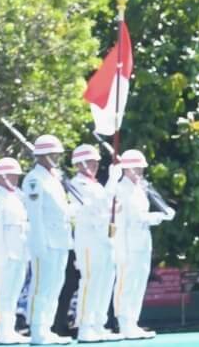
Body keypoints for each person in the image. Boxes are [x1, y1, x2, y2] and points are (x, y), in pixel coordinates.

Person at [111, 151, 170, 341]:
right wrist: (156, 217)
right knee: (126, 284)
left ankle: (133, 322)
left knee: (138, 284)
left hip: (143, 243)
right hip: (126, 244)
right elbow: (127, 220)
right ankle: (124, 323)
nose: (140, 171)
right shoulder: (120, 190)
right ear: (126, 169)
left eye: (141, 168)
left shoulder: (139, 189)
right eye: (136, 168)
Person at [21, 136, 74, 345]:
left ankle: (46, 327)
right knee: (41, 286)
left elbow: (59, 210)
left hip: (60, 240)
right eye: (54, 154)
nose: (57, 157)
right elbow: (34, 216)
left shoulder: (54, 178)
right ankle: (36, 329)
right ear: (42, 156)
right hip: (45, 242)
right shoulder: (34, 179)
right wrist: (38, 244)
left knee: (55, 286)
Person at [66, 146, 115, 344]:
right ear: (78, 165)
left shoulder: (96, 185)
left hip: (103, 239)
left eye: (96, 162)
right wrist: (112, 182)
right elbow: (95, 206)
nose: (94, 165)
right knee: (90, 281)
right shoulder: (77, 184)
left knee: (104, 281)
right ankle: (85, 326)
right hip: (87, 241)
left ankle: (98, 323)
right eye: (90, 162)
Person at [0, 158, 31, 346]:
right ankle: (1, 329)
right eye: (11, 174)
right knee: (0, 292)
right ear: (1, 177)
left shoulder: (17, 197)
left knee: (13, 292)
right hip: (4, 254)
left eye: (16, 175)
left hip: (19, 252)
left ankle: (10, 329)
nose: (15, 178)